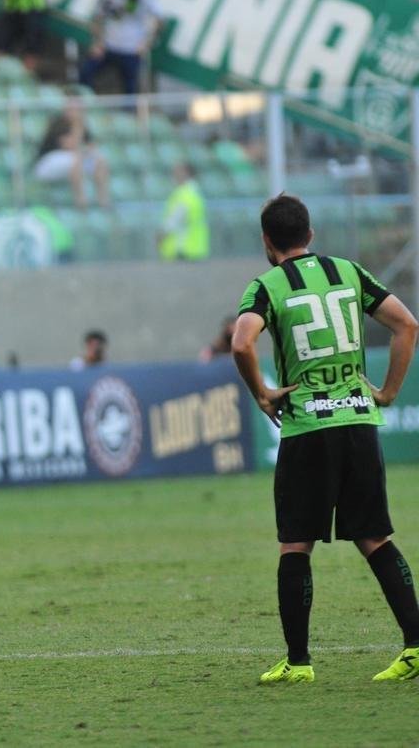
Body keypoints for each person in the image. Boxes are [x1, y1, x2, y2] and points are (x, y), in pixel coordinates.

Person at [230, 194, 419, 684]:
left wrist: (263, 394)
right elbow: (407, 324)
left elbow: (241, 341)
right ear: (310, 235)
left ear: (268, 242)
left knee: (296, 544)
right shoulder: (350, 272)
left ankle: (298, 662)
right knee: (375, 536)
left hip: (309, 428)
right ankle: (416, 647)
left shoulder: (267, 286)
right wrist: (389, 391)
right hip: (358, 420)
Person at [79, 0, 164, 97]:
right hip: (108, 46)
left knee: (130, 88)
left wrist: (148, 43)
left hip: (131, 50)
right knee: (86, 73)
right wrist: (97, 42)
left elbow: (160, 18)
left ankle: (128, 113)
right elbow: (97, 18)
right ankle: (85, 103)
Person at [33, 99, 110, 208]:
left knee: (100, 160)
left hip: (70, 159)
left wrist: (87, 148)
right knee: (76, 159)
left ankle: (103, 200)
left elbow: (91, 146)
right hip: (48, 162)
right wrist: (77, 128)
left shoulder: (83, 126)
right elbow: (70, 146)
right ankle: (80, 201)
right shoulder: (58, 123)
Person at [158, 162, 209, 262]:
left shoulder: (184, 194)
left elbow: (174, 221)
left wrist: (161, 235)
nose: (173, 175)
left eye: (176, 171)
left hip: (181, 251)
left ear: (185, 173)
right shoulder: (196, 193)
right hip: (196, 251)